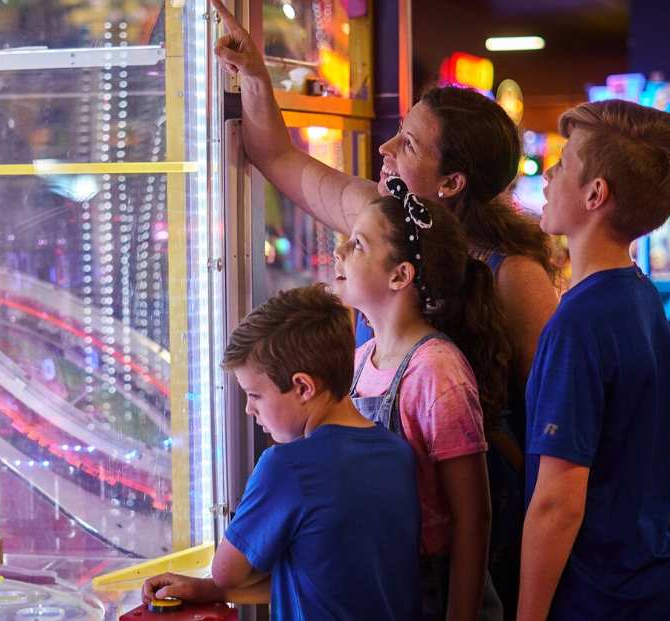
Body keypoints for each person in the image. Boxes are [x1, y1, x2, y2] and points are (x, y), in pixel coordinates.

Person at [209, 0, 558, 611]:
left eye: (410, 143)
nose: (386, 149)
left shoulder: (513, 276)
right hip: (388, 545)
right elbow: (279, 158)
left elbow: (557, 426)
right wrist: (256, 76)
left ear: (451, 184)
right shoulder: (383, 221)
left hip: (471, 543)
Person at [517, 100, 670, 621]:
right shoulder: (639, 295)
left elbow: (558, 505)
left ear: (596, 193)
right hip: (653, 581)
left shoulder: (579, 324)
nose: (548, 174)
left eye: (564, 162)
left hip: (600, 599)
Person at [143, 284, 422, 620]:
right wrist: (203, 590)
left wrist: (213, 585)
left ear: (303, 387)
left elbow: (225, 573)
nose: (249, 409)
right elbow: (324, 579)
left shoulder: (287, 468)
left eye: (255, 395)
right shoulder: (397, 454)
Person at [333, 184, 509, 621]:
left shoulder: (436, 371)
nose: (340, 250)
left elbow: (474, 519)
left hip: (432, 587)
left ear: (400, 276)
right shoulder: (357, 362)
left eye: (358, 244)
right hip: (380, 575)